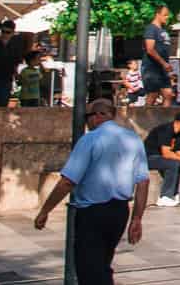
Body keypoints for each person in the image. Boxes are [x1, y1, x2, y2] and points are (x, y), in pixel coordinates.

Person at [34, 98, 149, 285]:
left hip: (92, 213)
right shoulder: (133, 139)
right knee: (102, 264)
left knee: (89, 270)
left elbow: (68, 182)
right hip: (119, 212)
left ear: (97, 116)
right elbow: (143, 182)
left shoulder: (90, 139)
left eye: (87, 117)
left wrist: (45, 210)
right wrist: (137, 219)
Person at [141, 5, 175, 106]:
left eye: (168, 15)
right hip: (151, 68)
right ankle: (144, 118)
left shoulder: (163, 30)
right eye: (165, 15)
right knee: (153, 94)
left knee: (168, 94)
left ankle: (164, 118)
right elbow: (150, 49)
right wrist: (163, 63)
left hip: (162, 68)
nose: (167, 17)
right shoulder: (151, 29)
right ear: (157, 15)